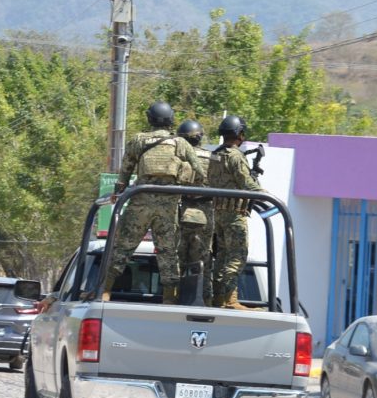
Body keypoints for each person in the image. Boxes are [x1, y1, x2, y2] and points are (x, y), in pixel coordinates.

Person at [103, 101, 206, 305]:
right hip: (167, 207)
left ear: (149, 119)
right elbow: (200, 173)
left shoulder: (139, 140)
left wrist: (118, 191)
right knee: (168, 252)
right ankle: (169, 298)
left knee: (122, 247)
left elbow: (125, 171)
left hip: (140, 203)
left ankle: (104, 291)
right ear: (170, 120)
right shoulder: (180, 143)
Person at [207, 115, 264, 309]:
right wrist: (266, 195)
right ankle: (230, 300)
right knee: (237, 256)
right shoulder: (236, 156)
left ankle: (218, 298)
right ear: (239, 134)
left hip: (218, 214)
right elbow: (246, 184)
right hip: (234, 214)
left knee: (222, 257)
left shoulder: (215, 154)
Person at [176, 120, 215, 305]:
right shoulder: (213, 158)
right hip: (205, 213)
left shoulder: (176, 156)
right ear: (200, 137)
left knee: (176, 258)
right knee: (203, 260)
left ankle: (174, 297)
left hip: (179, 210)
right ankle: (205, 300)